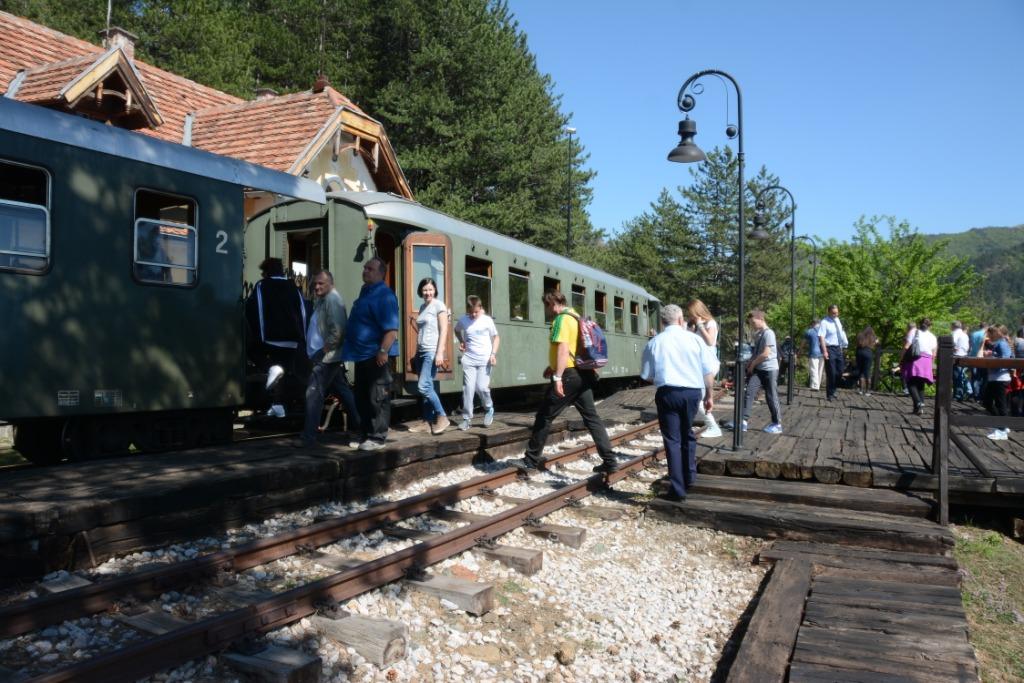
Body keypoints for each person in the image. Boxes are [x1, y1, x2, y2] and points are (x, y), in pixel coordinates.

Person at [522, 291, 619, 474]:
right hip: (582, 374)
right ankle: (610, 461)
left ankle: (530, 460)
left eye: (546, 306)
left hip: (569, 374)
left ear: (552, 304)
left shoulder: (561, 319)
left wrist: (557, 377)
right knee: (592, 418)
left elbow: (563, 349)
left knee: (544, 415)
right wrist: (552, 367)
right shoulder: (575, 316)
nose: (546, 310)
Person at [642, 304, 719, 502]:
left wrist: (663, 378)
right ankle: (690, 476)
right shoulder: (695, 339)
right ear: (680, 319)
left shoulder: (655, 342)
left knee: (672, 440)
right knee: (687, 433)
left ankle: (677, 489)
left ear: (662, 322)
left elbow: (647, 375)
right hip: (692, 392)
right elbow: (708, 372)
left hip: (668, 392)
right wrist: (709, 396)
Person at [294, 270, 358, 448]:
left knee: (313, 394)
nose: (316, 286)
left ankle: (309, 437)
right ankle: (361, 425)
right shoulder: (323, 300)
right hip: (326, 356)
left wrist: (322, 351)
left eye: (321, 283)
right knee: (342, 391)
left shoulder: (333, 301)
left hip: (327, 358)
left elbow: (338, 331)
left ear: (331, 283)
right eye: (315, 283)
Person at [340, 257, 399, 451]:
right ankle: (366, 434)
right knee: (363, 398)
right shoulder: (365, 291)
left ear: (381, 273)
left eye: (370, 269)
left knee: (377, 397)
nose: (365, 271)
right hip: (361, 355)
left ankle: (377, 437)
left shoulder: (386, 296)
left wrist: (383, 351)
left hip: (376, 355)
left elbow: (391, 330)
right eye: (365, 268)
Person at [245, 258, 307, 418]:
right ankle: (278, 405)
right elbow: (302, 311)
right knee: (282, 373)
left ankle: (269, 368)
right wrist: (302, 336)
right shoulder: (293, 287)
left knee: (252, 351)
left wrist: (259, 336)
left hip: (271, 338)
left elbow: (255, 309)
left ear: (266, 272)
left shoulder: (262, 285)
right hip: (293, 340)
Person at [726, 309, 783, 433]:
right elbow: (756, 353)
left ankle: (777, 423)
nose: (752, 325)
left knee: (771, 396)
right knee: (749, 392)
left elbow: (766, 353)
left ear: (761, 319)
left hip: (769, 369)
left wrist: (753, 364)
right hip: (759, 369)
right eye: (750, 323)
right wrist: (750, 362)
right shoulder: (758, 334)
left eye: (753, 322)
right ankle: (743, 421)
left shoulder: (769, 333)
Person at [409, 278, 451, 435]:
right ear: (421, 291)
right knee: (428, 387)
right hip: (421, 352)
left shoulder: (439, 305)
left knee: (423, 386)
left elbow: (444, 330)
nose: (428, 292)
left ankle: (442, 416)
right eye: (425, 290)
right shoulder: (422, 307)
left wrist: (440, 352)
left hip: (431, 351)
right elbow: (422, 331)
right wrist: (416, 352)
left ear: (435, 291)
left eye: (430, 289)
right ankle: (427, 422)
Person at [453, 296, 500, 430]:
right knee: (468, 389)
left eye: (476, 312)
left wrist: (493, 354)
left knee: (482, 388)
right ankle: (467, 419)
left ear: (480, 308)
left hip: (485, 359)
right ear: (467, 309)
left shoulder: (487, 320)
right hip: (469, 359)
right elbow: (457, 330)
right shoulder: (463, 320)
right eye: (471, 312)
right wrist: (462, 341)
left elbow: (496, 337)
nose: (473, 315)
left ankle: (489, 408)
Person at [685, 299, 722, 438]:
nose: (690, 316)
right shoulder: (695, 326)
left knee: (698, 398)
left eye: (691, 314)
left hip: (709, 364)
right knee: (696, 396)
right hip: (699, 364)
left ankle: (713, 427)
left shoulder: (710, 323)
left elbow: (710, 341)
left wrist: (700, 326)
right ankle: (691, 423)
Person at [981, 325, 1013, 440]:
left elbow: (1005, 360)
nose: (989, 335)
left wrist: (990, 356)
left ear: (998, 333)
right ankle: (1000, 424)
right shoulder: (998, 344)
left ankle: (1002, 430)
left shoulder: (1002, 344)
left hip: (1000, 378)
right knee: (987, 402)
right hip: (995, 378)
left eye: (991, 332)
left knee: (1000, 404)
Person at [900, 317, 937, 415]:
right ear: (930, 326)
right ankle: (918, 408)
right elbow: (934, 354)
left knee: (910, 382)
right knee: (920, 384)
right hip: (927, 360)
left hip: (915, 359)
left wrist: (901, 359)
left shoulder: (914, 332)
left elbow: (906, 347)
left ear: (919, 324)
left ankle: (918, 403)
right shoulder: (933, 337)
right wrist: (931, 365)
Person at [818, 305, 849, 402]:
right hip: (829, 348)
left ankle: (834, 388)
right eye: (834, 313)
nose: (836, 314)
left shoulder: (838, 320)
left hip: (838, 348)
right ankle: (830, 393)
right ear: (829, 312)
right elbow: (821, 337)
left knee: (840, 371)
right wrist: (824, 351)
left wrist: (843, 346)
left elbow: (841, 334)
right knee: (831, 372)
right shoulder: (824, 322)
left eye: (837, 312)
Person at [854, 326, 879, 396]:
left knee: (860, 371)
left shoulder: (860, 335)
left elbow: (857, 343)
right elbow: (878, 343)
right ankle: (867, 391)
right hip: (868, 353)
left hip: (859, 352)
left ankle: (861, 390)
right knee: (867, 372)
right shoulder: (873, 336)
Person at [950, 321, 971, 401]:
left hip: (957, 357)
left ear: (953, 326)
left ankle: (958, 395)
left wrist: (954, 348)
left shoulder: (955, 333)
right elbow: (967, 347)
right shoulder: (965, 335)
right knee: (961, 376)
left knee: (957, 377)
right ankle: (963, 393)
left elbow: (952, 343)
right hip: (964, 356)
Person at [969, 321, 988, 402]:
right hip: (981, 357)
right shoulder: (985, 335)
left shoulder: (973, 334)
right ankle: (979, 395)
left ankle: (974, 394)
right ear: (986, 327)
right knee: (981, 377)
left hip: (972, 356)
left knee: (974, 377)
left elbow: (970, 345)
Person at [804, 320, 824, 390]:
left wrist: (799, 351)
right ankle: (816, 385)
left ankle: (815, 386)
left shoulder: (809, 331)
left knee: (813, 369)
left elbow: (803, 342)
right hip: (822, 352)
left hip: (813, 352)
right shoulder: (823, 331)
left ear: (813, 324)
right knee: (820, 370)